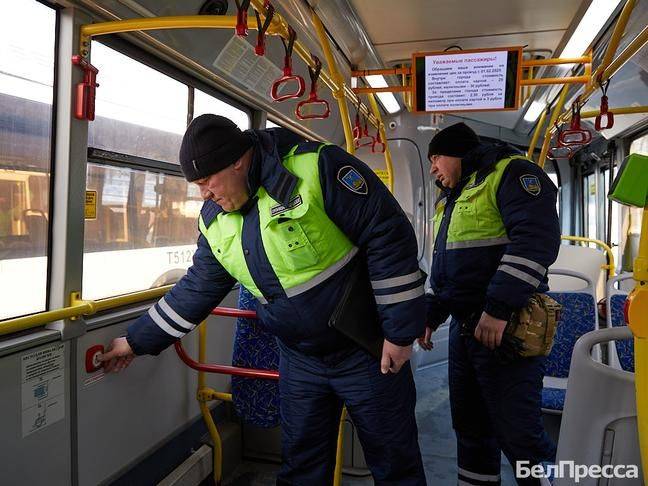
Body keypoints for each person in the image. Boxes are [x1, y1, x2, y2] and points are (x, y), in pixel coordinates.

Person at [100, 114, 427, 485]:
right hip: (299, 357)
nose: (203, 193)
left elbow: (387, 233)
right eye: (197, 184)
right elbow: (198, 287)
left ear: (239, 160)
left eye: (207, 180)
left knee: (394, 464)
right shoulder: (214, 219)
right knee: (301, 466)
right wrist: (135, 341)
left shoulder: (318, 167)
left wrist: (400, 334)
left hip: (366, 351)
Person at [419, 122, 560, 486]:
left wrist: (498, 310)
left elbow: (535, 242)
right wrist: (432, 315)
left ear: (457, 154)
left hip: (508, 328)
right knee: (470, 426)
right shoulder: (451, 197)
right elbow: (448, 270)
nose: (433, 167)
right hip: (466, 330)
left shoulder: (513, 173)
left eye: (436, 158)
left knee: (518, 432)